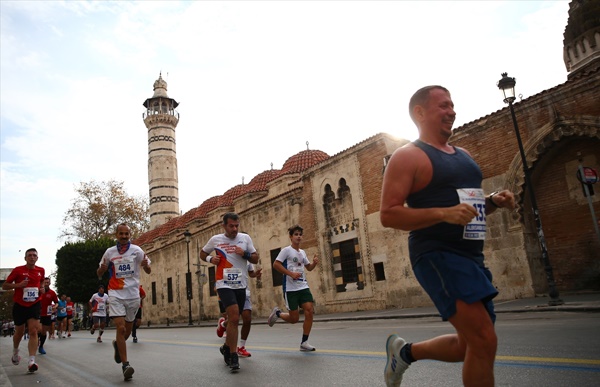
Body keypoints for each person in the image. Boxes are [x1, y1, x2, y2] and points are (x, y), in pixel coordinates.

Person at [379, 85, 516, 387]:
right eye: (443, 106)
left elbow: (467, 209)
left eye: (452, 105)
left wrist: (492, 201)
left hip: (472, 257)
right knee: (483, 340)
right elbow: (388, 214)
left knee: (469, 345)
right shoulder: (408, 156)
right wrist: (443, 213)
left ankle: (404, 353)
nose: (452, 111)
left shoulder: (464, 155)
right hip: (437, 254)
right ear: (420, 112)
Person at [200, 212, 259, 372]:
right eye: (231, 226)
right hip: (224, 284)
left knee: (236, 319)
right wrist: (210, 260)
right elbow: (202, 253)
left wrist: (245, 254)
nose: (234, 229)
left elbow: (255, 258)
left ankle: (226, 348)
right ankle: (233, 356)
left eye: (236, 226)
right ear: (224, 226)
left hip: (241, 285)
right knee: (233, 316)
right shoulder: (216, 240)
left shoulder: (245, 239)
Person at [97, 223, 151, 381]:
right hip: (115, 293)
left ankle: (118, 346)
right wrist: (101, 269)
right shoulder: (109, 252)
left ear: (130, 235)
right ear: (116, 235)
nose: (124, 236)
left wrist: (146, 266)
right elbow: (99, 272)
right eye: (121, 234)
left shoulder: (137, 251)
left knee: (126, 332)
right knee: (120, 328)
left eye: (126, 234)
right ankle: (126, 364)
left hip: (133, 295)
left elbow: (148, 269)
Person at [267, 224, 319, 351]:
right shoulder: (286, 251)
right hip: (290, 289)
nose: (298, 237)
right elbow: (276, 265)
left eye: (300, 234)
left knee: (309, 311)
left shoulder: (302, 252)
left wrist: (314, 263)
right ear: (291, 237)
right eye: (296, 234)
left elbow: (309, 268)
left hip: (303, 286)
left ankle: (304, 342)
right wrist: (290, 274)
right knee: (294, 319)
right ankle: (278, 313)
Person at [2, 248, 45, 373]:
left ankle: (32, 361)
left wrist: (42, 287)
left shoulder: (40, 270)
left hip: (34, 304)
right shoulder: (18, 270)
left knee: (33, 331)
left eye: (34, 255)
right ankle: (15, 352)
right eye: (29, 255)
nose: (32, 257)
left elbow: (41, 281)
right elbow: (5, 285)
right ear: (25, 258)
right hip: (20, 305)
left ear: (37, 258)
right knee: (19, 333)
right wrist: (18, 285)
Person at [216, 262, 262, 357]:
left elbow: (251, 273)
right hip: (230, 291)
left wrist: (255, 274)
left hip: (244, 291)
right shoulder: (229, 256)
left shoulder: (246, 258)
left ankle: (241, 347)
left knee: (247, 319)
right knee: (234, 319)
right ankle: (224, 325)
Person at [38, 277, 58, 354]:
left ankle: (41, 346)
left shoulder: (52, 293)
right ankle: (36, 341)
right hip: (38, 313)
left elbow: (56, 302)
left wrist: (55, 307)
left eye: (47, 282)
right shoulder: (38, 291)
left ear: (49, 283)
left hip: (47, 314)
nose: (46, 284)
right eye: (44, 282)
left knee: (43, 332)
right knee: (39, 329)